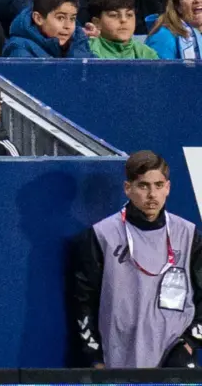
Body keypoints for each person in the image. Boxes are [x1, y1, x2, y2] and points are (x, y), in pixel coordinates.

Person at [67, 151, 202, 368]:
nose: (152, 194)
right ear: (127, 189)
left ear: (168, 188)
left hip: (175, 362)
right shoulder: (101, 236)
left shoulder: (188, 234)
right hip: (119, 359)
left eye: (159, 185)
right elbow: (84, 304)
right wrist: (93, 357)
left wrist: (189, 344)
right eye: (143, 186)